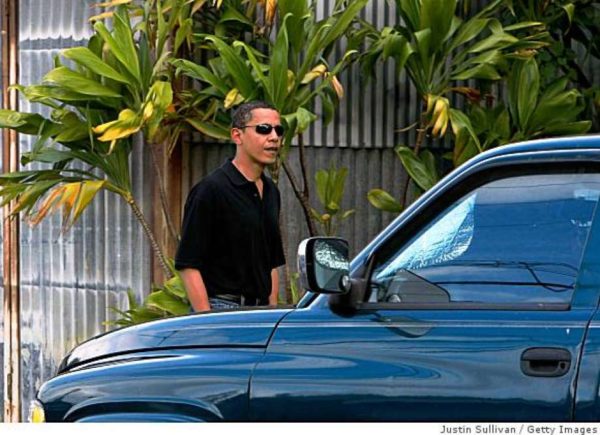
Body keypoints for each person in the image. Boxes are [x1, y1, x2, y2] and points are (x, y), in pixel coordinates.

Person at [175, 101, 286, 311]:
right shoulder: (211, 190)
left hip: (260, 313)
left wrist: (272, 310)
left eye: (278, 130)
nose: (274, 137)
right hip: (222, 310)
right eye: (263, 129)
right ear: (237, 135)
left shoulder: (271, 192)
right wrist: (207, 320)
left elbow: (271, 263)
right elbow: (188, 264)